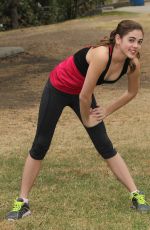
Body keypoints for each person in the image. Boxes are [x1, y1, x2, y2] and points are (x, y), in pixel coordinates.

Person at [6, 19, 150, 220]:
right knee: (41, 144)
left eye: (139, 41)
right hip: (58, 87)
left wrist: (106, 110)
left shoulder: (132, 64)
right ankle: (22, 203)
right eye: (131, 40)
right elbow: (84, 96)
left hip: (82, 92)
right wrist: (87, 119)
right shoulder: (101, 55)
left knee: (104, 145)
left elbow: (132, 93)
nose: (135, 46)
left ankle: (136, 195)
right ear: (118, 39)